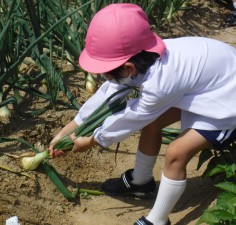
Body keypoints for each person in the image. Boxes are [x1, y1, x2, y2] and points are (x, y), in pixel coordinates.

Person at [49, 3, 236, 225]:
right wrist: (69, 129)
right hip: (206, 88)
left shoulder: (161, 83)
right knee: (154, 122)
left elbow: (132, 118)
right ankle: (141, 182)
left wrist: (91, 140)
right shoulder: (144, 59)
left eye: (107, 74)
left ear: (127, 68)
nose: (105, 79)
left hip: (227, 103)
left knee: (176, 153)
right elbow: (109, 93)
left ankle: (157, 220)